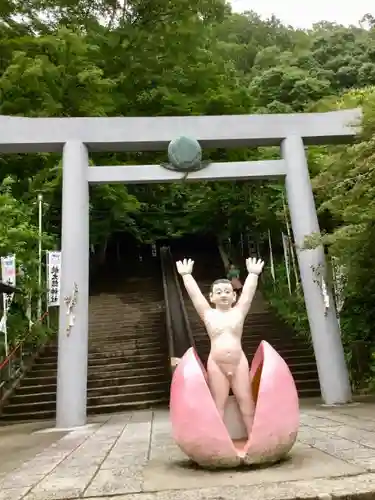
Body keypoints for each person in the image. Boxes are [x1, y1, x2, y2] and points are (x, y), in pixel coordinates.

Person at [176, 256, 264, 439]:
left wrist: (253, 274)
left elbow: (247, 295)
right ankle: (219, 441)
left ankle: (254, 437)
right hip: (216, 363)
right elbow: (195, 297)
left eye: (227, 291)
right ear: (212, 297)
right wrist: (186, 276)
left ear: (233, 296)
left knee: (246, 401)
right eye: (219, 292)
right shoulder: (208, 314)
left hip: (238, 361)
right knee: (218, 403)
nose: (223, 294)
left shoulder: (238, 312)